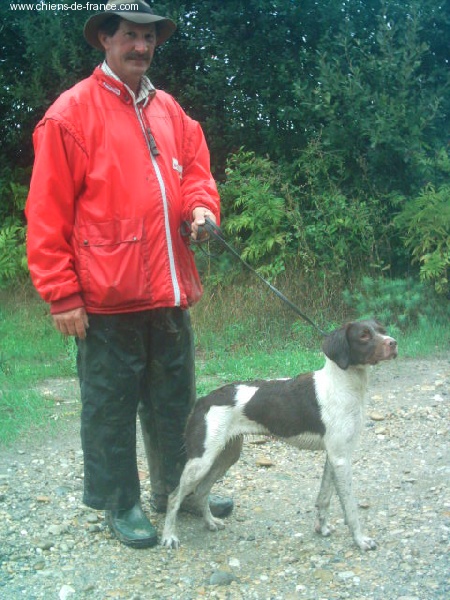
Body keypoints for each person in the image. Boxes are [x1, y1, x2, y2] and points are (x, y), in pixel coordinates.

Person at [25, 0, 233, 549]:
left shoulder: (171, 110)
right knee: (109, 409)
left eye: (149, 37)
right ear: (105, 39)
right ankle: (122, 504)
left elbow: (195, 173)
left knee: (175, 402)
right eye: (131, 36)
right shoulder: (69, 115)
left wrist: (201, 209)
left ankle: (178, 489)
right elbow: (46, 213)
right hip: (104, 298)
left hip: (167, 290)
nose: (142, 46)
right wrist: (61, 292)